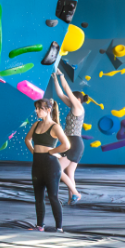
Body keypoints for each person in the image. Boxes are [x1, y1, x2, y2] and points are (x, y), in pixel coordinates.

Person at [25, 98, 70, 232]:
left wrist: (51, 151)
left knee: (52, 196)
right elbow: (27, 139)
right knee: (38, 196)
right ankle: (40, 225)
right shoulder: (36, 124)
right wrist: (34, 152)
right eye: (36, 108)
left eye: (39, 108)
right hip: (37, 164)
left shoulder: (55, 126)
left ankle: (59, 227)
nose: (36, 111)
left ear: (48, 110)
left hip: (50, 165)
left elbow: (66, 145)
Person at [52, 70, 87, 204]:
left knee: (57, 168)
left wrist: (61, 74)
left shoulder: (78, 107)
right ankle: (70, 198)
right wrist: (55, 79)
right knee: (70, 173)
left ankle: (77, 194)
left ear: (77, 99)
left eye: (72, 97)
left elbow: (66, 89)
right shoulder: (73, 107)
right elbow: (61, 94)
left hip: (74, 143)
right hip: (73, 142)